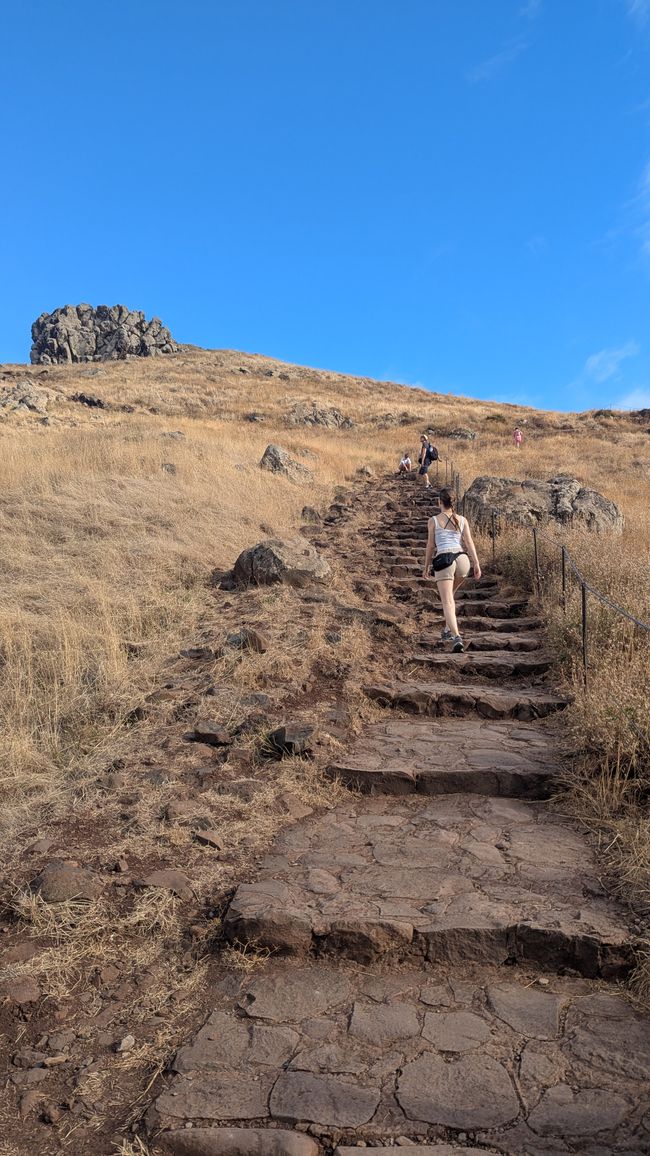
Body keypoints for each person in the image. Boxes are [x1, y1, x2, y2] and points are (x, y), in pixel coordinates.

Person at [423, 488, 481, 652]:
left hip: (445, 560)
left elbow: (430, 546)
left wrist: (426, 566)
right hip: (462, 561)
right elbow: (469, 543)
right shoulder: (462, 520)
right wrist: (476, 563)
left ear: (439, 502)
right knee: (451, 597)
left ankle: (456, 637)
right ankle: (448, 630)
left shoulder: (433, 520)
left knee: (447, 601)